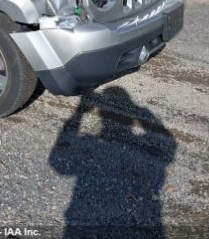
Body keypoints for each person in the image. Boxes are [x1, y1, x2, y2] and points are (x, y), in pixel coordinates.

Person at [49, 86, 177, 238]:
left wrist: (80, 111)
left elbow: (58, 162)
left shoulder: (93, 144)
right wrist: (140, 112)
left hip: (81, 218)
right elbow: (168, 149)